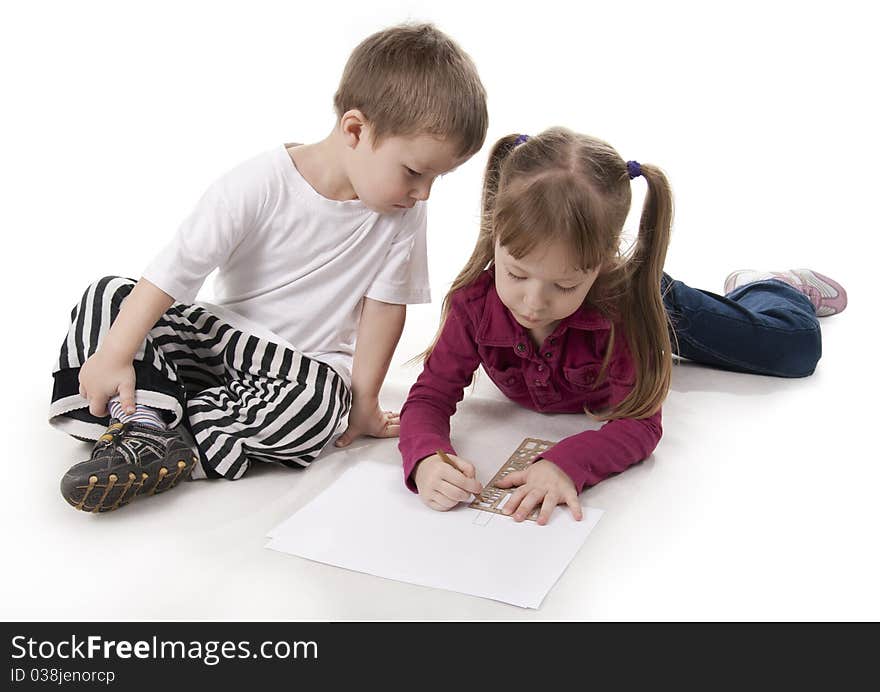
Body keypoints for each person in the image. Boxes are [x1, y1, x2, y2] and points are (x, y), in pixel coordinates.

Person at [49, 23, 488, 513]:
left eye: (437, 178)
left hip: (296, 373)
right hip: (218, 338)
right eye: (414, 172)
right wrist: (116, 353)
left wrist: (363, 405)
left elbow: (384, 309)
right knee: (109, 295)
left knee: (323, 406)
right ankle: (143, 422)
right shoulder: (262, 183)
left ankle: (161, 437)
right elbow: (178, 268)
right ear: (356, 130)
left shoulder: (403, 214)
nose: (423, 192)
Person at [398, 127, 846, 525]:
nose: (533, 303)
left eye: (564, 283)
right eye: (516, 274)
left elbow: (640, 424)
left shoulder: (629, 312)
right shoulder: (473, 304)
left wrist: (565, 463)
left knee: (795, 348)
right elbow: (430, 396)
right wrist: (424, 457)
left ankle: (768, 285)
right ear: (495, 237)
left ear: (602, 264)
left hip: (652, 302)